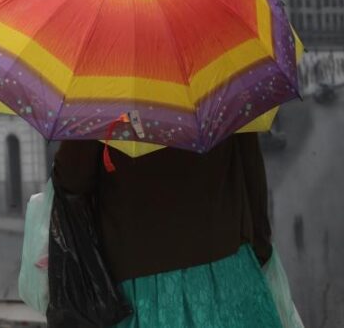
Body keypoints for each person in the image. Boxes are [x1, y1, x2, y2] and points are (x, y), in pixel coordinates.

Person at [52, 133, 283, 328]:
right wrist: (259, 250)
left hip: (141, 290)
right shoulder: (221, 83)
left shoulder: (106, 91)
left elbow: (71, 178)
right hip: (228, 275)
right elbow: (251, 172)